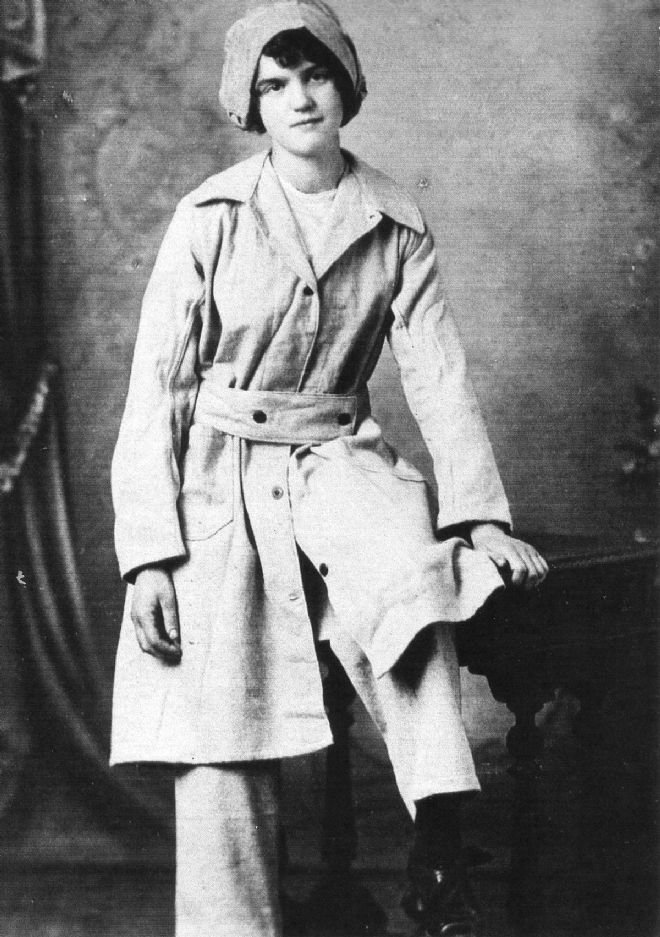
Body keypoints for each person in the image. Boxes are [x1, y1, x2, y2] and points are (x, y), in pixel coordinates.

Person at [110, 2, 548, 935]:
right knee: (216, 725)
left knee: (413, 584)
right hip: (219, 476)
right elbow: (158, 385)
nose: (300, 98)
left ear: (345, 84)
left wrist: (480, 517)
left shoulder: (394, 218)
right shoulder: (211, 218)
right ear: (251, 106)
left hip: (340, 461)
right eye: (275, 85)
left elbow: (437, 374)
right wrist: (148, 553)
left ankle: (441, 843)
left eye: (315, 76)